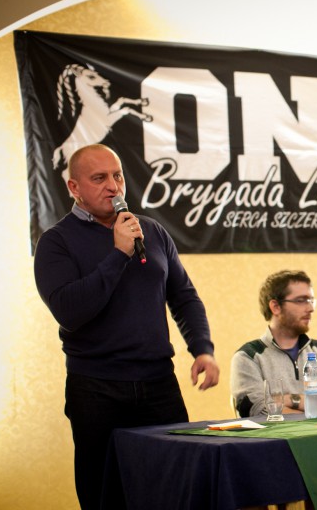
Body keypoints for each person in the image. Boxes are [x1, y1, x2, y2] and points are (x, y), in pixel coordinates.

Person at [33, 144, 220, 510]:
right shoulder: (56, 242)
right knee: (106, 494)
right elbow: (71, 311)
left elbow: (184, 296)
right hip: (97, 389)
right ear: (74, 188)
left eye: (117, 175)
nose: (113, 186)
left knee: (177, 486)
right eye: (99, 178)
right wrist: (118, 254)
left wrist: (202, 349)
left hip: (159, 384)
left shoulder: (151, 231)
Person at [231, 270, 317, 417]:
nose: (311, 308)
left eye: (311, 300)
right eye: (301, 300)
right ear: (275, 307)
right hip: (278, 433)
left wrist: (291, 400)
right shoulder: (248, 357)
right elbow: (261, 411)